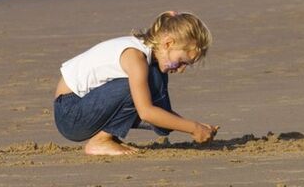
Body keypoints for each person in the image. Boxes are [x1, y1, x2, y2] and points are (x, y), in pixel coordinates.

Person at [54, 11, 218, 155]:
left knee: (161, 114)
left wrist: (194, 126)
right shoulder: (135, 57)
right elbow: (146, 112)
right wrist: (193, 128)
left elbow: (158, 112)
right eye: (181, 62)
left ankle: (107, 136)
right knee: (142, 87)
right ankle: (100, 141)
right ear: (168, 44)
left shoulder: (151, 60)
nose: (180, 70)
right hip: (70, 113)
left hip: (86, 108)